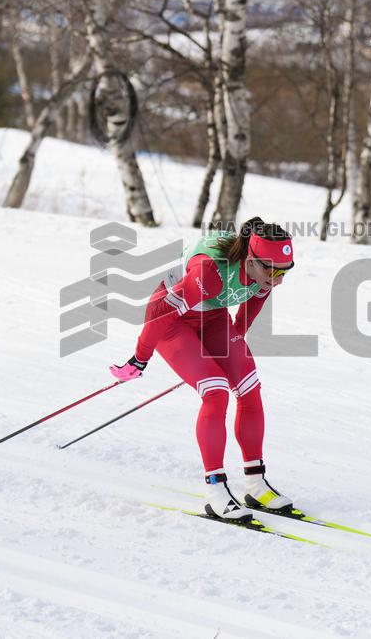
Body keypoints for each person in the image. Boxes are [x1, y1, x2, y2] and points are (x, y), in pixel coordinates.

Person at [110, 217, 295, 522]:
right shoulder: (208, 273)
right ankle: (216, 489)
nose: (278, 281)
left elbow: (250, 306)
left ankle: (255, 483)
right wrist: (139, 358)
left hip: (212, 316)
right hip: (173, 323)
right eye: (273, 272)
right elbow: (160, 314)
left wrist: (231, 348)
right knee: (216, 391)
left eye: (284, 272)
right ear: (251, 260)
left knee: (249, 386)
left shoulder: (264, 273)